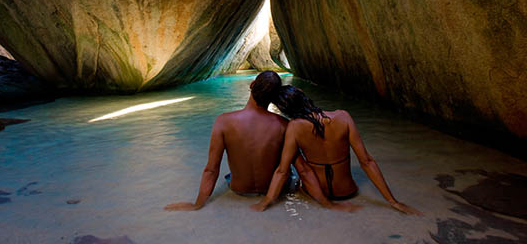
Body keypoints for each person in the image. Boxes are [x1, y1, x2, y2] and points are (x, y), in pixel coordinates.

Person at [165, 72, 358, 212]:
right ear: (274, 99)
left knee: (229, 174)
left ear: (251, 85)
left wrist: (197, 205)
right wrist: (328, 204)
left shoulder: (223, 122)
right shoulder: (284, 125)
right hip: (276, 191)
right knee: (287, 171)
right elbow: (304, 170)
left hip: (239, 190)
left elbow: (211, 170)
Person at [251, 85, 421, 215]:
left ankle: (325, 204)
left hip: (316, 193)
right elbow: (366, 162)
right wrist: (393, 201)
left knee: (292, 164)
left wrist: (265, 202)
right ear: (304, 97)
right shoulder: (343, 117)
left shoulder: (294, 127)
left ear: (285, 110)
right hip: (348, 192)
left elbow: (282, 171)